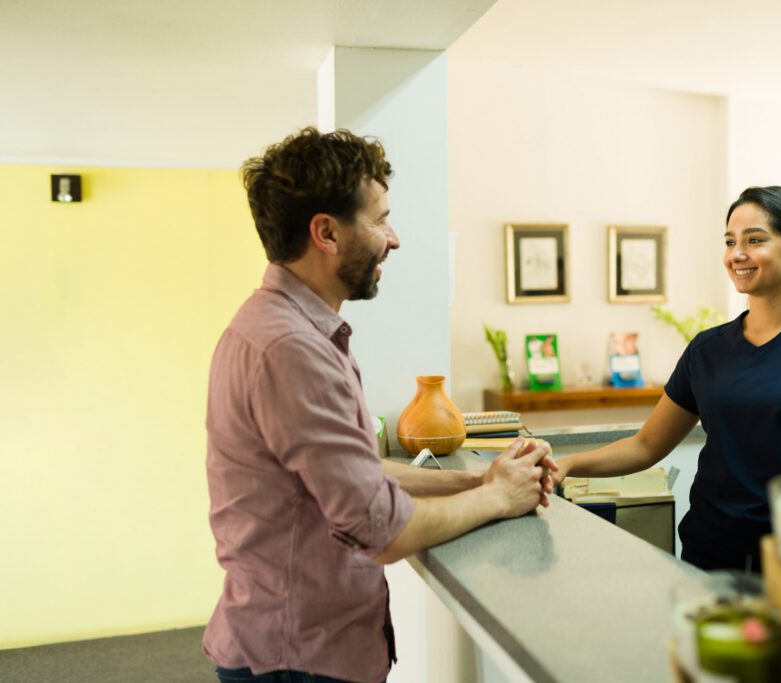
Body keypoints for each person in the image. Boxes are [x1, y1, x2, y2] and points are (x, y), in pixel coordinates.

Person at [202, 127, 556, 683]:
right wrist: (496, 498)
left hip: (289, 646)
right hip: (298, 661)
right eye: (379, 218)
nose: (393, 238)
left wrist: (478, 479)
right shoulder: (291, 348)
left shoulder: (286, 329)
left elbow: (355, 476)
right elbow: (382, 529)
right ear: (326, 233)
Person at [552, 186, 781, 573]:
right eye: (730, 242)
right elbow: (646, 445)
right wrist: (568, 463)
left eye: (755, 240)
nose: (737, 255)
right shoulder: (707, 349)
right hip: (709, 553)